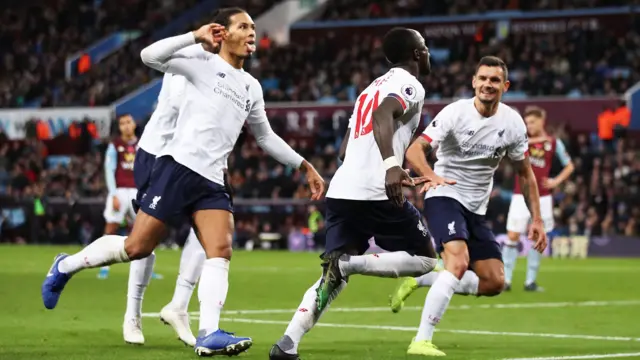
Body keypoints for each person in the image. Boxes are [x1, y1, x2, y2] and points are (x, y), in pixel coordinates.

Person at [41, 7, 325, 357]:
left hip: (212, 181)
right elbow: (148, 56)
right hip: (178, 170)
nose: (252, 33)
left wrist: (304, 166)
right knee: (136, 248)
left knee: (220, 251)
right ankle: (65, 265)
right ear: (223, 32)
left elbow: (265, 137)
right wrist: (194, 36)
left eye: (253, 27)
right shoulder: (201, 62)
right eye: (243, 26)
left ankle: (208, 331)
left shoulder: (251, 86)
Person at [269, 27, 439, 360]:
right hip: (375, 192)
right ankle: (351, 264)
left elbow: (346, 149)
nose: (429, 53)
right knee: (425, 260)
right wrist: (390, 166)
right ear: (417, 54)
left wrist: (383, 165)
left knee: (330, 278)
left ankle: (288, 343)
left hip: (343, 189)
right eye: (426, 48)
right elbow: (383, 114)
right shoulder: (410, 85)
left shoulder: (368, 89)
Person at [390, 56, 548, 356]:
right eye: (483, 79)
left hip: (476, 208)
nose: (488, 84)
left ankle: (423, 277)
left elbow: (525, 173)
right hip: (444, 196)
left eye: (495, 80)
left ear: (505, 86)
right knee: (459, 262)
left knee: (493, 282)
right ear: (474, 82)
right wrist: (432, 175)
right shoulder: (455, 113)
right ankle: (421, 340)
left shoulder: (513, 123)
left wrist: (537, 220)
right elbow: (415, 150)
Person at [503, 105, 574, 292]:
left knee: (539, 237)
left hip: (543, 197)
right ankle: (506, 280)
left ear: (542, 121)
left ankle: (530, 281)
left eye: (533, 122)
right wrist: (536, 139)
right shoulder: (522, 140)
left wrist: (555, 181)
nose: (529, 125)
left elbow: (569, 166)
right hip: (520, 194)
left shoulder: (553, 143)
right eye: (527, 122)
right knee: (512, 236)